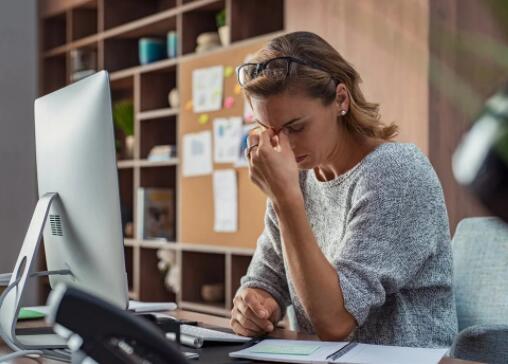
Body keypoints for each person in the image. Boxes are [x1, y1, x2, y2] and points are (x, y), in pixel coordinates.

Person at [230, 31, 457, 347]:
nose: (283, 145)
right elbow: (267, 277)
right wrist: (253, 303)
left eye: (296, 127)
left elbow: (335, 321)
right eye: (271, 131)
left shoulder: (396, 172)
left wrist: (285, 199)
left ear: (341, 99)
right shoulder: (297, 177)